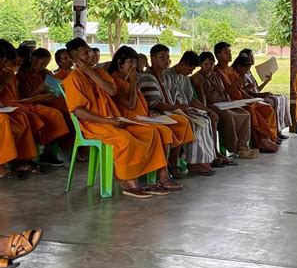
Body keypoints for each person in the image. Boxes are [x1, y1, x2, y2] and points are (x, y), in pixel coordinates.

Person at [63, 37, 173, 198]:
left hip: (114, 119)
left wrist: (90, 73)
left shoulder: (99, 73)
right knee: (126, 140)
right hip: (94, 124)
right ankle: (127, 182)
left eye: (90, 51)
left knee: (151, 132)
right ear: (74, 60)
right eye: (85, 54)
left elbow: (111, 91)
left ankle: (150, 180)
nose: (91, 55)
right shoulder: (73, 79)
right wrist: (108, 121)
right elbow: (78, 111)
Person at [107, 46, 183, 191]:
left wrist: (148, 113)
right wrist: (134, 82)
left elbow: (140, 103)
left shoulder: (127, 78)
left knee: (166, 131)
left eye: (136, 63)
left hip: (141, 117)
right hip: (128, 120)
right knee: (158, 132)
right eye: (130, 63)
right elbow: (130, 105)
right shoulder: (115, 80)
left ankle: (162, 175)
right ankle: (162, 177)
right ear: (119, 63)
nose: (134, 67)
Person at [139, 45, 214, 176]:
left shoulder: (166, 78)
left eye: (167, 57)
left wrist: (180, 108)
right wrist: (176, 108)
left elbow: (177, 98)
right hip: (155, 114)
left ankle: (201, 160)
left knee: (202, 119)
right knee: (185, 122)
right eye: (162, 57)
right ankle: (178, 162)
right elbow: (154, 103)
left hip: (170, 111)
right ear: (153, 59)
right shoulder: (147, 77)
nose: (166, 60)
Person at [0, 41, 69, 170]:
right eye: (13, 63)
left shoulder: (45, 74)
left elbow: (18, 95)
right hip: (15, 104)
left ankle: (37, 155)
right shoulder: (18, 74)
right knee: (25, 118)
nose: (14, 66)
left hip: (19, 104)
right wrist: (37, 93)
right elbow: (21, 96)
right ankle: (15, 161)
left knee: (42, 115)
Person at [166, 50, 232, 168]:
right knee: (196, 123)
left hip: (186, 109)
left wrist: (208, 110)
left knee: (209, 118)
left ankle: (210, 155)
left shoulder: (185, 77)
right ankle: (194, 162)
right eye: (190, 69)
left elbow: (191, 99)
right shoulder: (168, 75)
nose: (191, 72)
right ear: (182, 64)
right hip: (173, 110)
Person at [191, 52, 258, 160]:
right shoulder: (197, 77)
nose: (209, 67)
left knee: (245, 113)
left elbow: (224, 91)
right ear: (200, 65)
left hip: (224, 103)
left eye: (211, 64)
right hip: (211, 105)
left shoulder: (216, 75)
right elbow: (202, 96)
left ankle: (243, 147)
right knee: (230, 116)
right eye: (206, 64)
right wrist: (207, 110)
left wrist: (231, 103)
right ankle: (233, 147)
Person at [214, 42, 278, 153]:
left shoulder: (231, 70)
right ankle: (259, 141)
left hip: (241, 99)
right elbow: (225, 92)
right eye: (226, 52)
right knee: (252, 110)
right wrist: (238, 83)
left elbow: (240, 89)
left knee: (266, 108)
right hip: (231, 102)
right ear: (218, 56)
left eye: (229, 51)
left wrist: (249, 96)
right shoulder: (217, 72)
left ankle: (268, 137)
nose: (229, 54)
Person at [239, 48, 292, 142]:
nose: (253, 58)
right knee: (274, 101)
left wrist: (267, 81)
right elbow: (249, 93)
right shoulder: (241, 73)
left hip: (257, 95)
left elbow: (257, 89)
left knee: (282, 98)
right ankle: (272, 133)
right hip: (252, 98)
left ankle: (278, 130)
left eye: (253, 56)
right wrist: (263, 95)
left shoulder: (249, 73)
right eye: (251, 56)